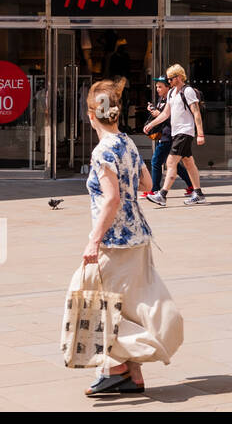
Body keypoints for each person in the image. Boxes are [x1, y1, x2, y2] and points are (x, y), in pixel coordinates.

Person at [70, 77, 183, 396]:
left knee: (92, 300)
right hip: (140, 237)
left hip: (114, 242)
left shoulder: (102, 151)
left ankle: (120, 365)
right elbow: (147, 182)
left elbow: (111, 199)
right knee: (128, 307)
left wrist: (93, 240)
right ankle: (131, 376)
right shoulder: (127, 144)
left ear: (92, 115)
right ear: (116, 114)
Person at [141, 64, 206, 207]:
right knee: (189, 163)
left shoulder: (187, 91)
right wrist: (151, 124)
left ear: (179, 77)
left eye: (170, 79)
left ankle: (162, 195)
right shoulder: (171, 93)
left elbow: (196, 113)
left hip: (185, 132)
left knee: (170, 162)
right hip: (176, 133)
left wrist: (200, 134)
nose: (168, 81)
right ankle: (199, 194)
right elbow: (165, 114)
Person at [143, 77, 192, 198]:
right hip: (165, 135)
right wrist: (153, 111)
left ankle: (154, 190)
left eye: (160, 86)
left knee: (156, 161)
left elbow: (174, 117)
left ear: (168, 87)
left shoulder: (173, 98)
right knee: (173, 163)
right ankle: (192, 186)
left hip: (170, 135)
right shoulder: (162, 99)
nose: (157, 89)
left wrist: (158, 114)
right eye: (156, 87)